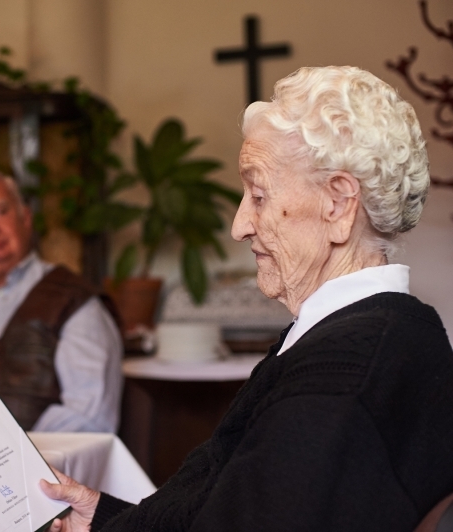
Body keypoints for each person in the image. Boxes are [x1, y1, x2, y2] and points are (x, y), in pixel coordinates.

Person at [41, 66, 453, 531]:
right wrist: (104, 520)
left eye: (258, 195)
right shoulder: (390, 334)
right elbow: (222, 510)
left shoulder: (342, 379)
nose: (239, 225)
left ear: (338, 203)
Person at [0, 169, 123, 432]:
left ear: (25, 218)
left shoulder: (75, 302)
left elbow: (90, 421)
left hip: (48, 468)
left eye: (1, 211)